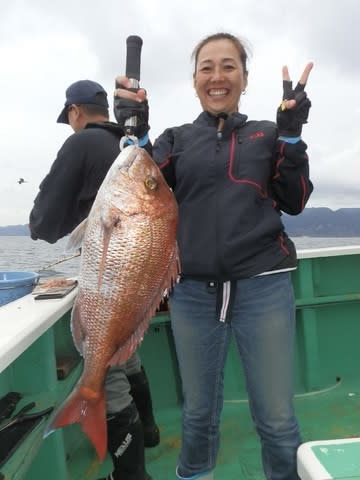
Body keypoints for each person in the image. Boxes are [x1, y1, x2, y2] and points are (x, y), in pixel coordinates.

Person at [114, 32, 314, 480]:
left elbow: (295, 199)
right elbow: (138, 184)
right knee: (197, 416)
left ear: (244, 77)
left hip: (264, 285)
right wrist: (134, 130)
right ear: (194, 80)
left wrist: (292, 137)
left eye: (228, 66)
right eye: (207, 67)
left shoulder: (267, 134)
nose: (217, 76)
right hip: (193, 293)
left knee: (278, 420)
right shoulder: (176, 139)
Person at [29, 79, 159, 480]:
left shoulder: (81, 143)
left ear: (74, 112)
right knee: (128, 349)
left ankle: (130, 473)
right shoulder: (137, 150)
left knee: (107, 367)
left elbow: (43, 223)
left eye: (68, 119)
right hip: (135, 279)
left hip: (109, 276)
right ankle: (150, 431)